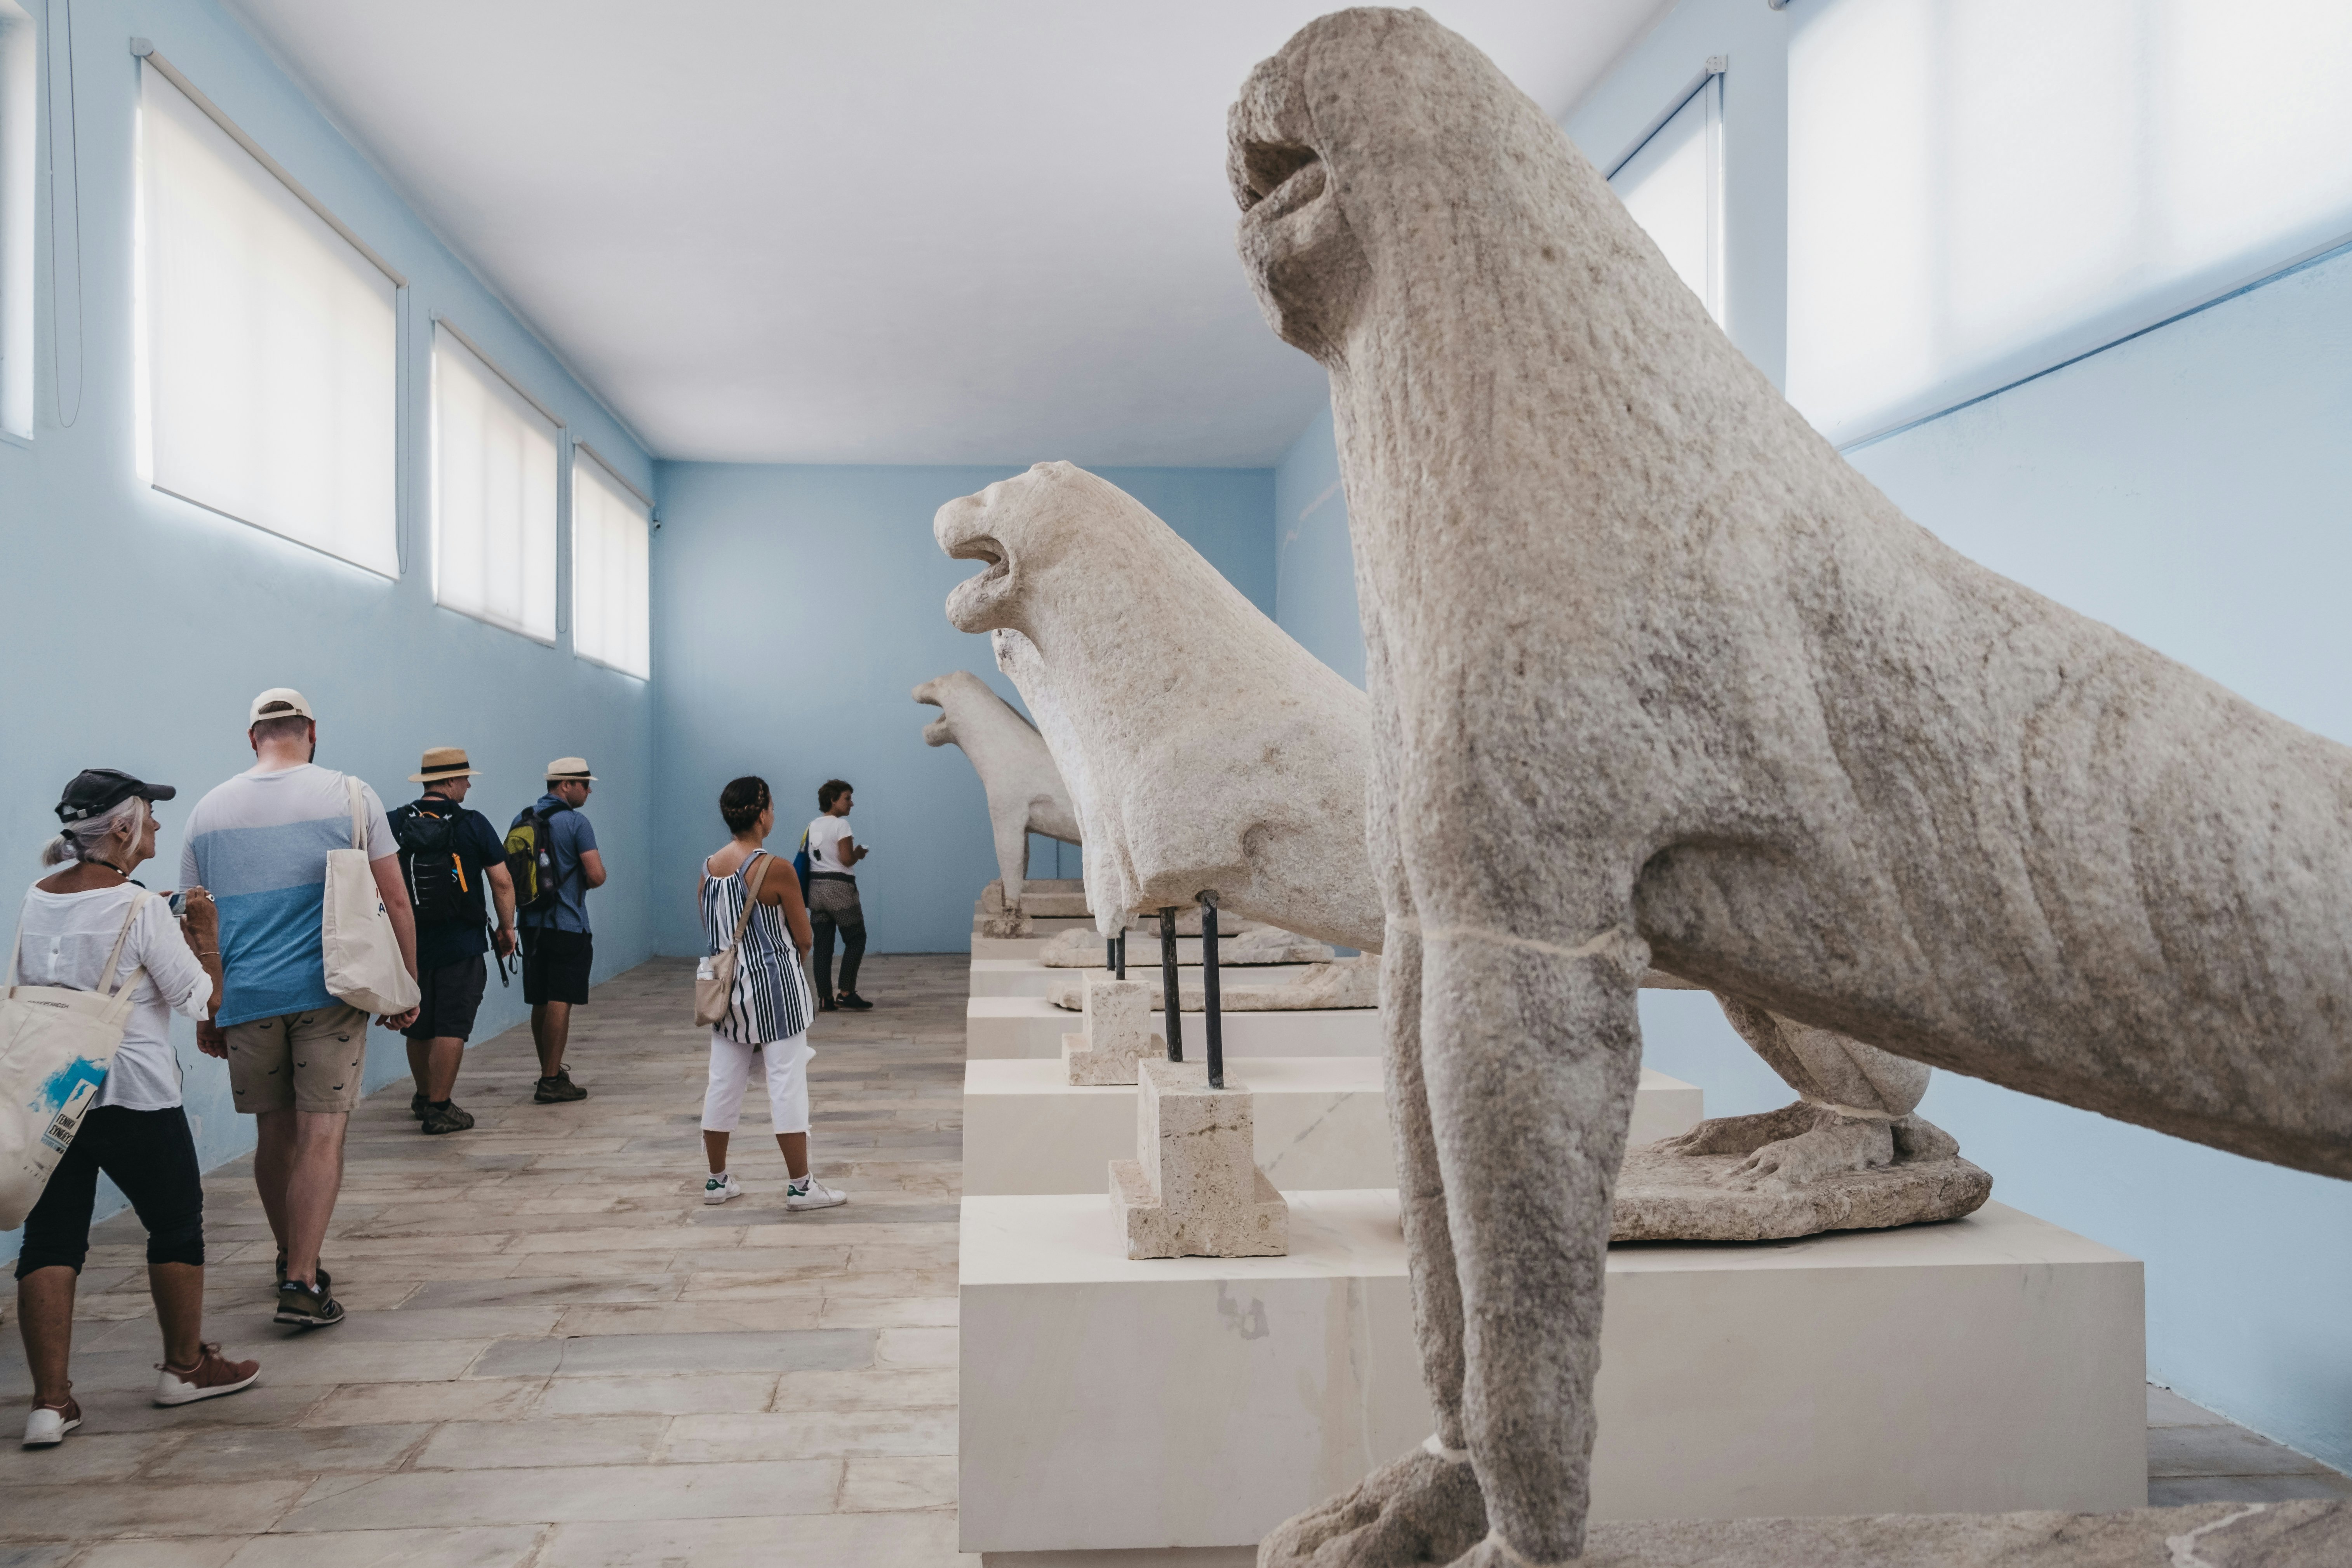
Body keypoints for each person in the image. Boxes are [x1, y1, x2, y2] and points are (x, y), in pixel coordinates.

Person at [15, 771, 261, 1446]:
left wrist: (144, 919)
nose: (155, 830)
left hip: (56, 1098)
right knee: (176, 1225)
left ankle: (50, 1402)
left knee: (52, 1239)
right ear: (122, 828)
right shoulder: (140, 908)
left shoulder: (38, 896)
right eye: (149, 819)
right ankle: (185, 1368)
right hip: (136, 1094)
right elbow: (198, 999)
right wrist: (203, 931)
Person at [183, 689, 418, 1330]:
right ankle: (302, 1278)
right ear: (311, 729)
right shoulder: (350, 794)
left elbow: (195, 921)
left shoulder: (207, 811)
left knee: (273, 1134)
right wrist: (406, 985)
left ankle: (288, 1250)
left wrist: (210, 1007)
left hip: (246, 997)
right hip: (330, 993)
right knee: (322, 1132)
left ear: (251, 736)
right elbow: (397, 901)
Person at [698, 776, 846, 1212]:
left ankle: (716, 1180)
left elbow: (713, 931)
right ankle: (801, 1186)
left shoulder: (708, 868)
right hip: (776, 989)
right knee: (786, 1084)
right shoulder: (774, 867)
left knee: (723, 1082)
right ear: (761, 814)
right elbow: (804, 936)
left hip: (726, 992)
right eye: (772, 807)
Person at [390, 748, 516, 1136]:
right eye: (464, 778)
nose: (468, 784)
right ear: (448, 782)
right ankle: (441, 1107)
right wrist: (507, 927)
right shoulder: (472, 823)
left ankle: (423, 1095)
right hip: (461, 940)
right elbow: (502, 881)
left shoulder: (395, 821)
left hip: (409, 942)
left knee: (418, 1021)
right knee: (452, 1024)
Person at [511, 758, 605, 1103]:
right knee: (560, 1000)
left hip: (530, 926)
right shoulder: (577, 823)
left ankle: (548, 1071)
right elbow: (596, 875)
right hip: (567, 924)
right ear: (565, 785)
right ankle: (551, 1079)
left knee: (540, 999)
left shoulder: (522, 819)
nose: (589, 789)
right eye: (584, 783)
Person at [805, 778, 872, 1011]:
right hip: (840, 889)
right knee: (856, 939)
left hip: (816, 890)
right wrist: (859, 853)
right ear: (833, 800)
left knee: (823, 946)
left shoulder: (812, 825)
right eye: (847, 798)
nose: (851, 804)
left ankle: (825, 999)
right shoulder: (841, 826)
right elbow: (846, 860)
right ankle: (846, 992)